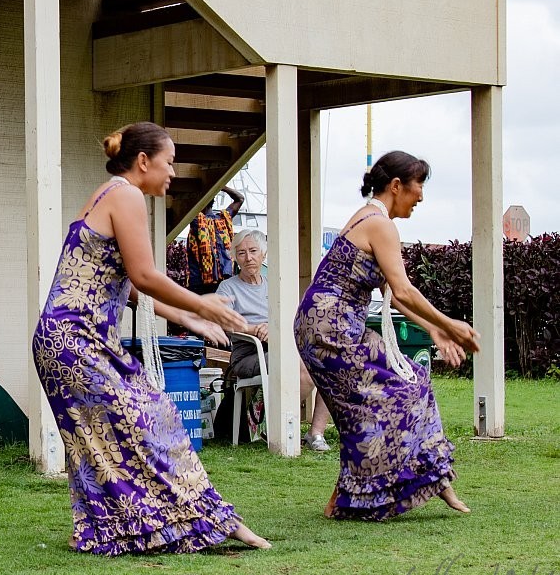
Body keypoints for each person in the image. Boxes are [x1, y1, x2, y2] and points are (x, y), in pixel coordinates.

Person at [32, 121, 271, 554]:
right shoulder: (125, 195)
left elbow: (132, 287)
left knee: (99, 438)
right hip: (76, 340)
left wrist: (188, 318)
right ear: (144, 161)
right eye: (170, 163)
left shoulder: (109, 194)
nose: (174, 173)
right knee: (153, 420)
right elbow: (144, 274)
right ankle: (215, 521)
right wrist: (203, 305)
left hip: (63, 339)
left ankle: (99, 529)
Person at [295, 151, 479, 520]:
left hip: (324, 326)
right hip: (331, 329)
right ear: (397, 186)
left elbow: (394, 295)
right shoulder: (379, 224)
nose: (422, 196)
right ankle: (416, 487)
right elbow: (406, 290)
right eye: (419, 186)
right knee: (401, 391)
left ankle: (406, 488)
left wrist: (432, 329)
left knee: (390, 394)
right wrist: (450, 325)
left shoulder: (371, 220)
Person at [210, 230, 333, 450]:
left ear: (263, 254)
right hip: (249, 354)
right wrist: (254, 329)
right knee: (304, 366)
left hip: (282, 347)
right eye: (241, 253)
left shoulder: (274, 285)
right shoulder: (228, 287)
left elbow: (294, 320)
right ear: (235, 257)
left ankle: (315, 433)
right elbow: (224, 323)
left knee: (327, 363)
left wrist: (276, 330)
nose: (248, 258)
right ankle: (271, 422)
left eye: (253, 251)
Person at [185, 184, 245, 294]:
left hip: (209, 282)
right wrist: (222, 187)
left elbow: (240, 199)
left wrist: (219, 186)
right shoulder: (198, 219)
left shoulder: (220, 219)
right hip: (203, 282)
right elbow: (239, 198)